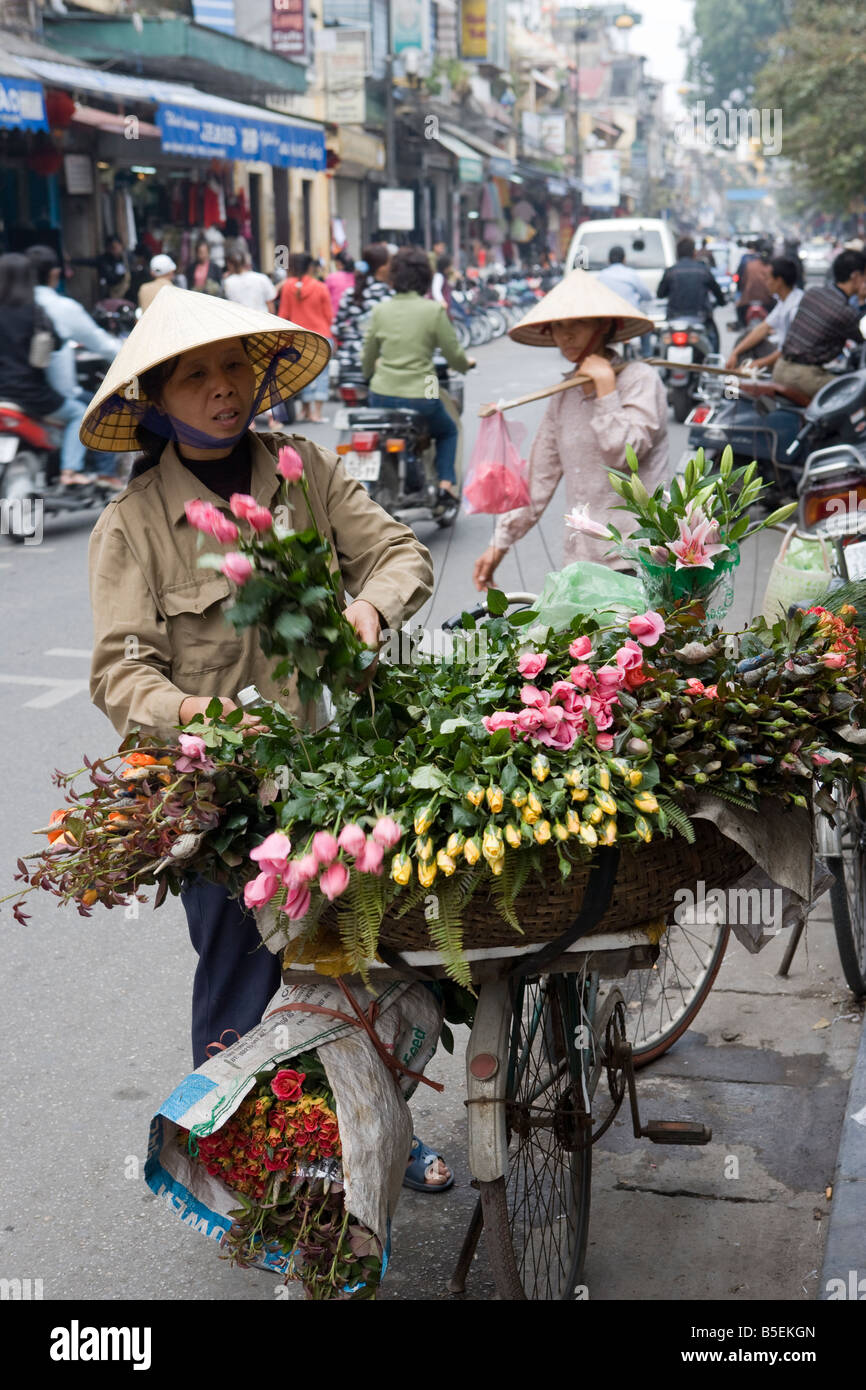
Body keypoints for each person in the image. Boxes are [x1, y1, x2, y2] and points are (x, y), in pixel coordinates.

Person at [81, 285, 452, 1191]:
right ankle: (246, 1158)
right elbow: (121, 673)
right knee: (245, 980)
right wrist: (203, 718)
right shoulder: (130, 528)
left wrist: (369, 605)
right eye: (197, 374)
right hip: (216, 796)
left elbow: (403, 554)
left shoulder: (303, 471)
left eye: (234, 365)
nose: (224, 386)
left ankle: (380, 1133)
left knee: (360, 963)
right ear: (158, 401)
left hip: (333, 775)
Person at [472, 267, 668, 590]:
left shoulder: (639, 380)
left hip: (638, 562)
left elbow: (624, 454)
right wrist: (499, 543)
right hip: (581, 564)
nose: (566, 335)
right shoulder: (564, 395)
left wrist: (606, 389)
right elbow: (538, 480)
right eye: (559, 326)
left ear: (605, 325)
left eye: (578, 323)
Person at [361, 246, 475, 522]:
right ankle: (446, 483)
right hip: (424, 389)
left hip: (381, 393)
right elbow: (453, 354)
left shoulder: (380, 311)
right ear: (426, 277)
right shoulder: (433, 310)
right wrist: (465, 364)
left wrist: (370, 378)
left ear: (394, 276)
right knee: (447, 429)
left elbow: (367, 356)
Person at [26, 244, 124, 490]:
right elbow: (102, 343)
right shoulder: (61, 308)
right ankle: (99, 473)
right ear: (54, 273)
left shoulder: (12, 307)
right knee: (102, 409)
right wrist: (129, 356)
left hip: (15, 392)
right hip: (48, 393)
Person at [0, 252, 96, 488]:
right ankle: (70, 471)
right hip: (30, 394)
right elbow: (58, 342)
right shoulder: (34, 312)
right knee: (80, 414)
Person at [772, 249, 866, 400]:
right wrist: (862, 301)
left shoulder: (812, 293)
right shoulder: (844, 311)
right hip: (804, 377)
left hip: (781, 368)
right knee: (857, 397)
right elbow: (862, 334)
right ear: (855, 276)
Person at [277, 253, 333, 423]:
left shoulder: (287, 286)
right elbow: (329, 316)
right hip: (321, 335)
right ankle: (317, 413)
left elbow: (283, 314)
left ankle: (305, 410)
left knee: (303, 373)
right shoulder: (320, 287)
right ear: (310, 267)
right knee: (322, 374)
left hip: (299, 337)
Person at [725, 256, 803, 372]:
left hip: (790, 362)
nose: (765, 283)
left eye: (768, 279)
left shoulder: (795, 307)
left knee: (747, 350)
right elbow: (763, 328)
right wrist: (735, 353)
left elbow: (786, 353)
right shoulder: (785, 301)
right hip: (781, 353)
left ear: (779, 281)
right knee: (744, 338)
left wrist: (754, 365)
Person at [333, 242, 392, 380]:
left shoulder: (350, 293)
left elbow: (337, 328)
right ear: (382, 268)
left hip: (350, 362)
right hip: (384, 365)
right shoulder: (390, 296)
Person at [657, 236, 726, 352]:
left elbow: (660, 294)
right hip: (700, 319)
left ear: (677, 253)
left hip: (674, 318)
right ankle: (713, 366)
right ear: (694, 252)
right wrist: (722, 301)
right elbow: (717, 292)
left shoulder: (671, 271)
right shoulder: (703, 270)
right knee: (713, 341)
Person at [596, 245, 652, 311]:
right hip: (630, 316)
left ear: (608, 260)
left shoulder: (601, 276)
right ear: (624, 259)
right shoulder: (632, 274)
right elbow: (647, 296)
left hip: (609, 315)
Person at [325, 250, 355, 317]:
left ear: (339, 263)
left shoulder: (331, 278)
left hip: (335, 317)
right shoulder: (358, 278)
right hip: (353, 317)